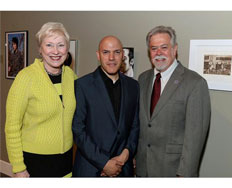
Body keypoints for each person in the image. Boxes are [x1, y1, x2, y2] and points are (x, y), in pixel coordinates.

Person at [135, 26, 211, 177]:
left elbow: (195, 139)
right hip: (143, 169)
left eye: (164, 47)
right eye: (154, 48)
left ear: (174, 49)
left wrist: (184, 175)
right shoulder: (143, 79)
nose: (158, 53)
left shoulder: (195, 83)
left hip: (173, 171)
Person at [5, 22, 77, 177]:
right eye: (49, 45)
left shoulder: (71, 77)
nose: (56, 51)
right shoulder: (26, 78)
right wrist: (18, 168)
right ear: (40, 48)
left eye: (61, 45)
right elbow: (12, 126)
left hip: (65, 159)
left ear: (67, 48)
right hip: (34, 162)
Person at [72, 36, 139, 177]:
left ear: (123, 55)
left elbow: (135, 126)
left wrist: (125, 155)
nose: (111, 58)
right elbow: (78, 130)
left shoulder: (134, 86)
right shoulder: (82, 85)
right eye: (106, 52)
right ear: (98, 55)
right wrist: (104, 163)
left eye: (116, 52)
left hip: (123, 169)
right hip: (90, 169)